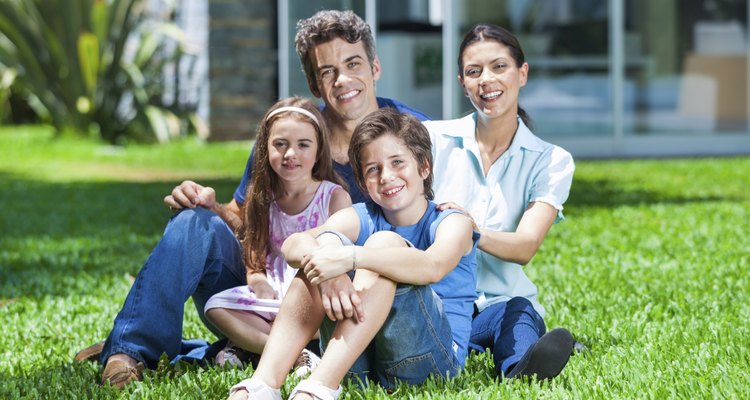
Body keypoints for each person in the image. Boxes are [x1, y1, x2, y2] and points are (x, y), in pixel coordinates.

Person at [75, 9, 430, 389]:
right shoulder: (292, 132)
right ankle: (128, 351)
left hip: (351, 297)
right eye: (327, 71)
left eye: (353, 63)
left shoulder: (412, 133)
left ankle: (233, 349)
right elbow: (251, 219)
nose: (342, 80)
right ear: (313, 83)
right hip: (272, 287)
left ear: (375, 67)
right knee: (193, 221)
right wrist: (209, 205)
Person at [227, 108, 478, 400]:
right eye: (373, 169)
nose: (386, 176)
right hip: (356, 360)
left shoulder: (451, 222)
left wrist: (351, 258)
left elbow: (432, 266)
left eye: (398, 162)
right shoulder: (362, 216)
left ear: (424, 167)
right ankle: (262, 385)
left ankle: (318, 388)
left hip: (430, 362)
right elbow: (293, 244)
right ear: (362, 182)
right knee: (321, 251)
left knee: (382, 244)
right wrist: (328, 271)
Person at [424, 23, 577, 381]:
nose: (486, 80)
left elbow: (525, 246)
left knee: (518, 314)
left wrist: (469, 230)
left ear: (522, 73)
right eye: (474, 72)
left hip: (500, 305)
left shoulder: (551, 160)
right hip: (437, 303)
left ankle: (522, 368)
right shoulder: (431, 138)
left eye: (499, 67)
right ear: (462, 83)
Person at [202, 97, 351, 371]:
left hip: (313, 293)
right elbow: (255, 257)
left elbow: (339, 258)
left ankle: (252, 347)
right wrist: (259, 283)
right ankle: (295, 356)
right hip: (271, 297)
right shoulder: (262, 198)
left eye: (303, 145)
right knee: (215, 307)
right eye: (280, 144)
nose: (290, 153)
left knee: (335, 314)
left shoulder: (334, 197)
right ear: (265, 148)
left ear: (319, 150)